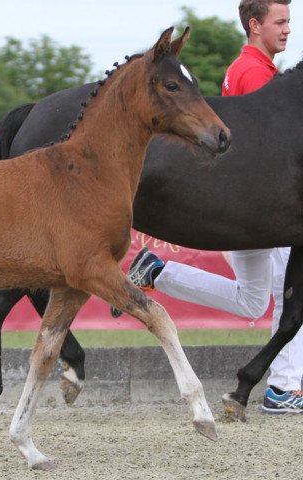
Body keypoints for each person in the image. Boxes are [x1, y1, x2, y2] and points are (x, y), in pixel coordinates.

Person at [117, 0, 303, 414]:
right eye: (281, 22)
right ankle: (283, 388)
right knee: (277, 295)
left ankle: (157, 272)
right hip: (254, 203)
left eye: (289, 21)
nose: (288, 29)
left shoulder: (256, 68)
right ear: (256, 26)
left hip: (251, 200)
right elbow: (262, 147)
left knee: (254, 301)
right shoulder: (256, 72)